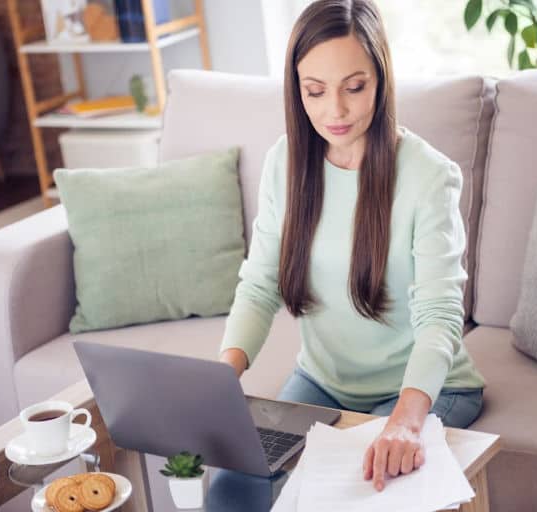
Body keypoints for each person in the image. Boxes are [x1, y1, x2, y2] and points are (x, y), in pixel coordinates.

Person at [208, 0, 485, 508]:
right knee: (231, 490)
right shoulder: (284, 162)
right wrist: (222, 377)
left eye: (353, 88)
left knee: (342, 495)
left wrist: (405, 421)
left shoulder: (428, 175)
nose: (334, 111)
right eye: (315, 91)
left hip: (423, 389)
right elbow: (261, 283)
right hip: (323, 382)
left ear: (380, 81)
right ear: (297, 89)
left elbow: (440, 314)